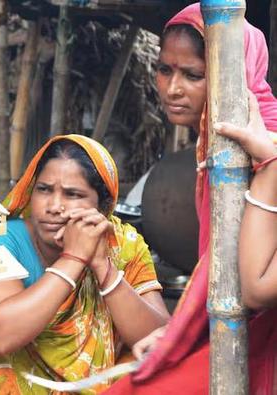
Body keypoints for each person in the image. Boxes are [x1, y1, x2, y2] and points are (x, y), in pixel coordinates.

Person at [104, 3, 277, 394]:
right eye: (164, 69)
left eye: (193, 75)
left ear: (234, 74)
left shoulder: (262, 144)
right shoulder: (220, 143)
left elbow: (252, 285)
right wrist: (174, 333)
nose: (172, 88)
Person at [0, 134, 170, 394]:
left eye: (73, 194)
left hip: (92, 384)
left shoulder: (123, 245)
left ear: (104, 206)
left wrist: (104, 270)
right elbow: (3, 336)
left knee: (143, 366)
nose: (54, 206)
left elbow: (160, 341)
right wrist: (74, 259)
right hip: (10, 380)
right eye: (44, 189)